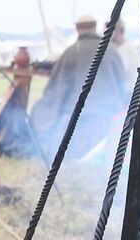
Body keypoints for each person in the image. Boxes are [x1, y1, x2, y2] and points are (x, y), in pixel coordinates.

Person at [29, 14, 130, 154]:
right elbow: (123, 86)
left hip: (77, 120)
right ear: (95, 28)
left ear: (77, 29)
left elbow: (56, 92)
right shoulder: (112, 51)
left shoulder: (70, 52)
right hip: (108, 119)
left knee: (39, 110)